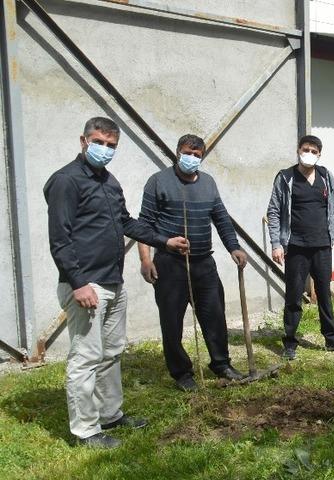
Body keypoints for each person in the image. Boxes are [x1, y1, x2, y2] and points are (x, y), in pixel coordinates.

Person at [44, 117, 189, 449]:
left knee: (111, 352)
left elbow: (126, 222)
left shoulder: (109, 182)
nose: (104, 150)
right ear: (83, 141)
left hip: (113, 282)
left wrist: (164, 241)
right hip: (86, 285)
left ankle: (110, 415)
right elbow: (60, 240)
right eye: (99, 142)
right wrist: (78, 283)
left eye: (111, 146)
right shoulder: (66, 181)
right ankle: (85, 431)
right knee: (86, 357)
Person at [138, 134, 248, 392]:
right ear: (178, 152)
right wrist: (146, 260)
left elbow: (221, 218)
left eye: (197, 155)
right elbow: (143, 226)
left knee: (215, 316)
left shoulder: (208, 183)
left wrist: (234, 247)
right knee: (171, 321)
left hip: (203, 264)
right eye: (188, 153)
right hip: (169, 264)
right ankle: (182, 373)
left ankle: (221, 364)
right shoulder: (158, 182)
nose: (192, 158)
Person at [267, 135, 334, 360]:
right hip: (295, 247)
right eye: (306, 150)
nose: (310, 154)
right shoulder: (285, 177)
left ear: (320, 154)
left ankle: (332, 338)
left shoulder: (325, 176)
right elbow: (274, 211)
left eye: (314, 151)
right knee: (293, 296)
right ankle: (290, 342)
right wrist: (276, 244)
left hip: (322, 245)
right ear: (298, 150)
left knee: (324, 293)